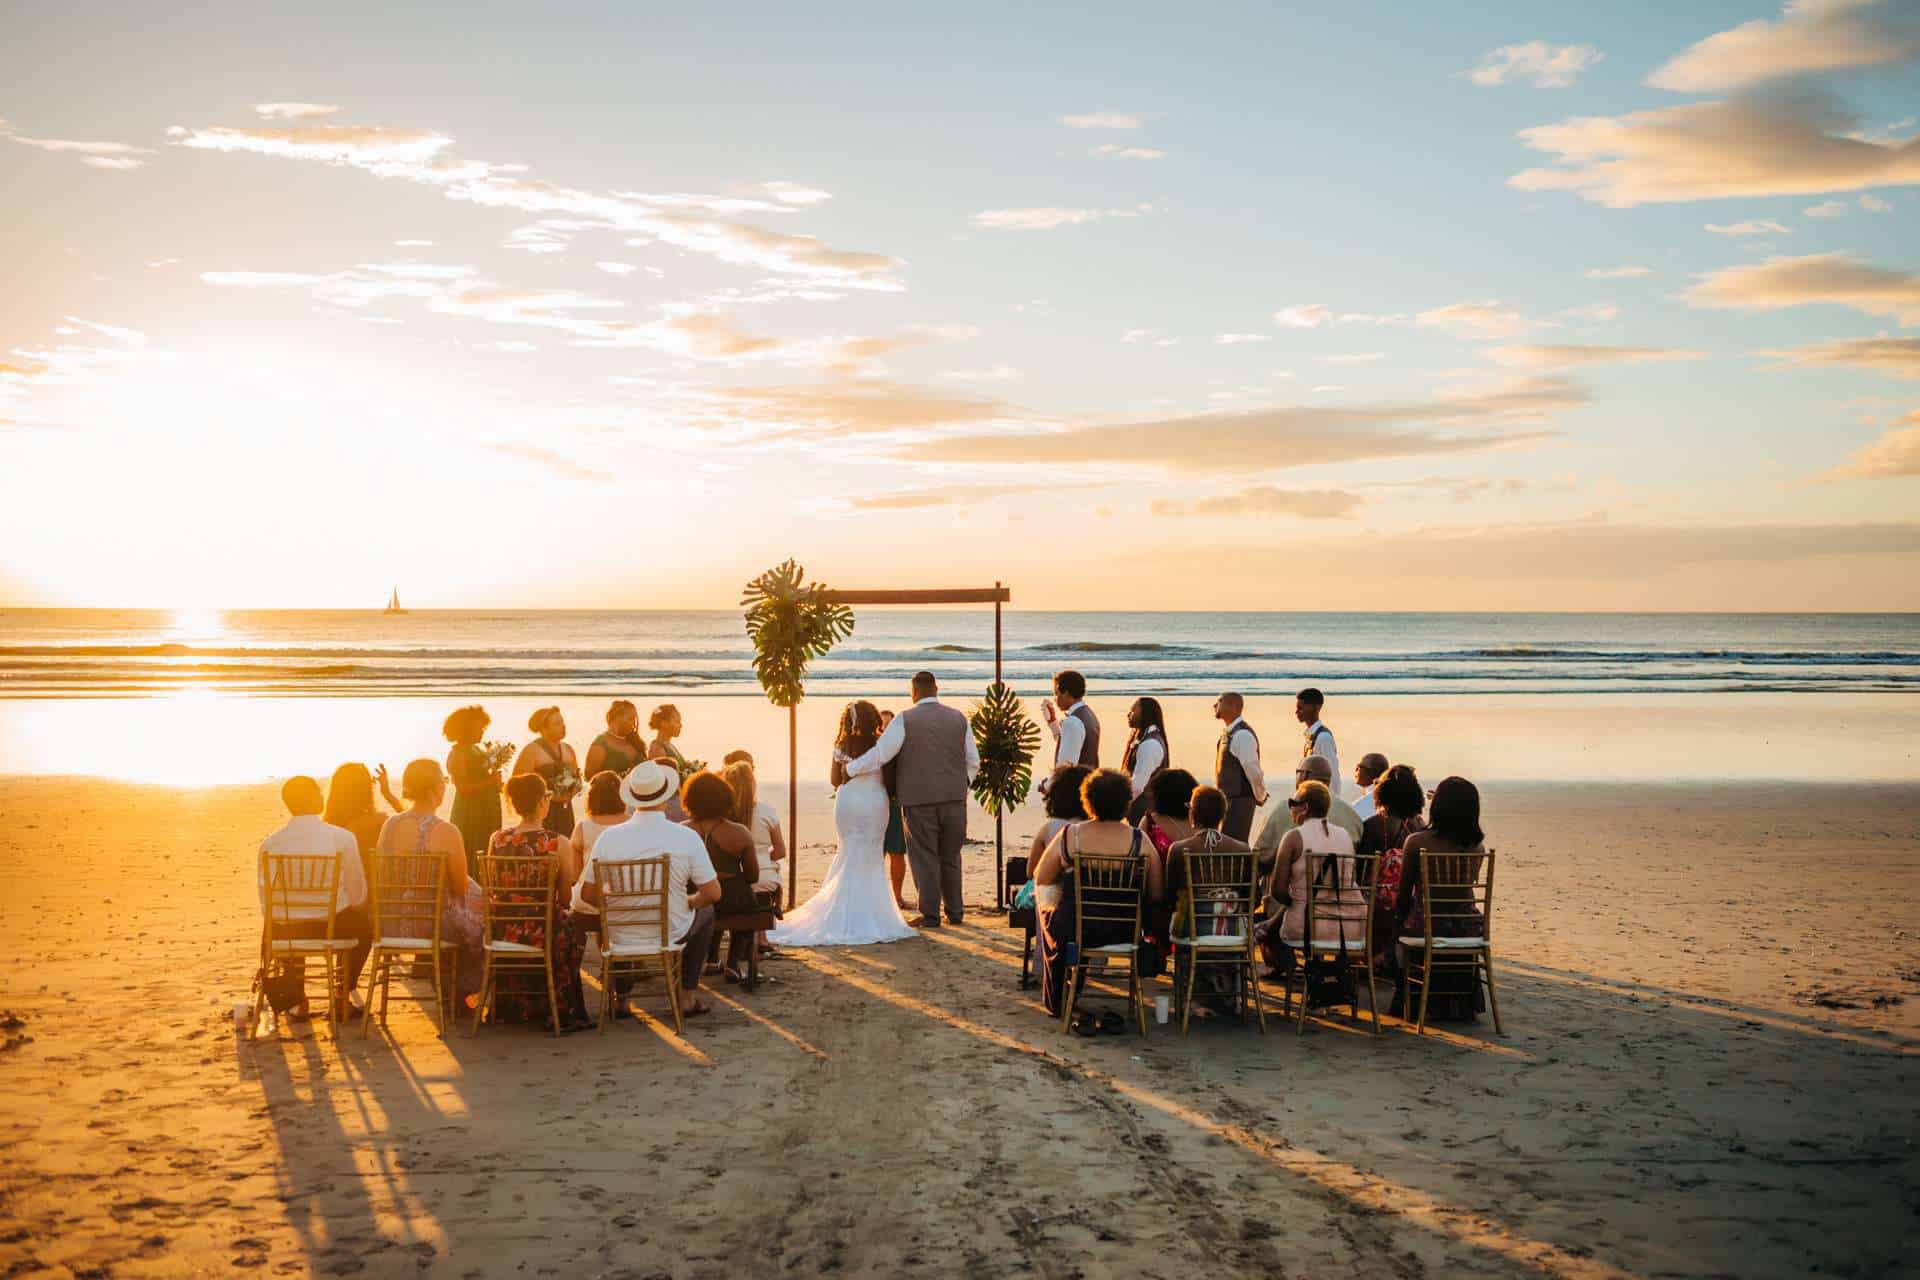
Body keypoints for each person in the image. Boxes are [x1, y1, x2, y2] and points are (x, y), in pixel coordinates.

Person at [773, 699, 923, 944]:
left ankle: (844, 909)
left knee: (848, 851)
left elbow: (835, 779)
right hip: (875, 800)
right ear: (874, 718)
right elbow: (891, 781)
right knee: (872, 854)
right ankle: (871, 912)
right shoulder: (880, 745)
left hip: (848, 801)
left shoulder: (840, 745)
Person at [581, 761, 721, 1019]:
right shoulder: (686, 837)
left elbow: (587, 894)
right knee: (708, 912)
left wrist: (619, 906)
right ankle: (686, 997)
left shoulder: (609, 838)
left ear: (633, 798)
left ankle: (622, 1000)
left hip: (621, 930)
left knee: (621, 927)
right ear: (667, 796)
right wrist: (690, 901)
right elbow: (713, 893)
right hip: (671, 930)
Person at [844, 674, 980, 928]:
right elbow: (973, 761)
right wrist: (963, 785)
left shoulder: (904, 719)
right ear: (936, 689)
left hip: (919, 801)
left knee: (925, 857)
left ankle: (931, 915)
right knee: (951, 856)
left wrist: (852, 769)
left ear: (913, 691)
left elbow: (882, 754)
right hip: (955, 800)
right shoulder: (959, 718)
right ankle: (956, 912)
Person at [1031, 769, 1162, 1022]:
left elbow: (1042, 878)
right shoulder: (1139, 840)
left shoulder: (1072, 835)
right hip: (1126, 931)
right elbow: (1156, 893)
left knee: (1050, 914)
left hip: (1076, 930)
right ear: (1126, 802)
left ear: (1087, 799)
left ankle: (1058, 997)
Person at [481, 774, 590, 1031]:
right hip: (543, 931)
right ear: (542, 802)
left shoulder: (497, 839)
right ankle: (558, 1007)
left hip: (502, 929)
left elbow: (492, 890)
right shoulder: (557, 843)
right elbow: (564, 898)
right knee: (572, 928)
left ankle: (513, 1006)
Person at [258, 776, 370, 1022]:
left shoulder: (269, 844)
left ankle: (298, 999)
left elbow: (267, 905)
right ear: (313, 798)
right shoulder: (342, 837)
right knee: (366, 924)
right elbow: (358, 895)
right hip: (332, 930)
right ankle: (341, 994)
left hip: (285, 933)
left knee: (281, 923)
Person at [376, 759, 485, 1011]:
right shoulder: (446, 831)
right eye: (443, 781)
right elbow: (458, 888)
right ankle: (464, 993)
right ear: (433, 789)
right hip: (430, 927)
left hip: (389, 922)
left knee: (468, 914)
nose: (445, 786)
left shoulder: (389, 826)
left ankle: (451, 988)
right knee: (485, 921)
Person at [1393, 776, 1488, 1021]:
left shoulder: (1416, 842)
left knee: (1394, 928)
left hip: (1427, 927)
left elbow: (1404, 896)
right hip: (1467, 928)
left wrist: (1395, 922)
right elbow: (1466, 889)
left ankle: (1406, 997)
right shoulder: (1477, 847)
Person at [1258, 780, 1362, 971]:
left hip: (1306, 930)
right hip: (1349, 926)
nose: (1290, 808)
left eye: (1292, 803)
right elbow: (1347, 882)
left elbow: (1278, 891)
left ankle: (1289, 972)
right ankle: (1323, 974)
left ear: (1305, 807)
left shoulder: (1293, 837)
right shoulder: (1345, 835)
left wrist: (1297, 902)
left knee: (1283, 921)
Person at [682, 770, 766, 983]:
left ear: (690, 799)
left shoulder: (681, 832)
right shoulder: (740, 833)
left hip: (696, 899)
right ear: (725, 799)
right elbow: (753, 876)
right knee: (747, 902)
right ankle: (733, 962)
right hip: (733, 898)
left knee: (711, 903)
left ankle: (711, 959)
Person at [1356, 764, 1425, 970]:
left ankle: (1377, 953)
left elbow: (1360, 873)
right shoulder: (1419, 827)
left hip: (1376, 909)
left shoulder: (1372, 826)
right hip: (1411, 906)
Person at [723, 757, 786, 957]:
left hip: (730, 884)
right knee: (768, 874)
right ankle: (762, 937)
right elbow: (780, 851)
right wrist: (765, 857)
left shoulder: (721, 815)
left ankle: (733, 949)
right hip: (763, 880)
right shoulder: (767, 812)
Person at [1253, 755, 1363, 869]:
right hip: (1341, 883)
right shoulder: (1352, 815)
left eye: (1298, 772)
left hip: (1296, 883)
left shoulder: (1287, 808)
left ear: (1305, 775)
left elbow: (1261, 857)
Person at [565, 770, 630, 957]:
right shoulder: (631, 824)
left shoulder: (583, 826)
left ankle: (575, 963)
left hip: (589, 904)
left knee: (578, 903)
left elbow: (575, 875)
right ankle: (616, 960)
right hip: (624, 903)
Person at [322, 761, 401, 885]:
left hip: (340, 897)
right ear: (366, 790)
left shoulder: (327, 827)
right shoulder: (379, 821)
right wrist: (387, 794)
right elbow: (412, 823)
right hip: (375, 896)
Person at [1026, 765, 1091, 912]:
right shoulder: (1097, 829)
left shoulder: (1049, 829)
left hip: (1059, 907)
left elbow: (1031, 872)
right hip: (1092, 903)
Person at [443, 704, 502, 856]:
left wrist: (495, 780)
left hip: (485, 808)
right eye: (479, 728)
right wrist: (490, 782)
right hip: (471, 812)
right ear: (466, 730)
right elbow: (463, 788)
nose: (483, 731)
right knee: (473, 847)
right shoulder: (459, 753)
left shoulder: (476, 749)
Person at [513, 707, 580, 838]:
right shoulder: (532, 750)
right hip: (540, 812)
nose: (563, 726)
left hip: (565, 809)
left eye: (563, 722)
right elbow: (517, 783)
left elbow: (577, 777)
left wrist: (573, 790)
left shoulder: (568, 749)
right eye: (557, 724)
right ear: (544, 728)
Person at [1211, 691, 1267, 842]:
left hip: (1239, 802)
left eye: (1219, 701)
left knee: (1234, 845)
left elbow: (1253, 770)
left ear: (1233, 706)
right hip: (1228, 801)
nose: (1214, 705)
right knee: (1226, 844)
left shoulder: (1242, 735)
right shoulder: (1229, 734)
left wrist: (1260, 795)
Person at [1041, 671, 1100, 789]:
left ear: (1066, 693)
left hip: (1074, 793)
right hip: (1088, 788)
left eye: (1056, 693)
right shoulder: (1089, 714)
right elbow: (1071, 745)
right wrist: (1052, 721)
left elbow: (1066, 767)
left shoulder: (1073, 721)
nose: (1055, 699)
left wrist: (1047, 785)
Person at [878, 709, 910, 910]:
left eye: (890, 726)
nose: (886, 730)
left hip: (896, 802)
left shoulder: (902, 748)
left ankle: (897, 897)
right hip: (875, 803)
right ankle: (877, 897)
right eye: (883, 726)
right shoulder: (872, 748)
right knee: (875, 853)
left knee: (897, 852)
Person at [1120, 696, 1170, 822]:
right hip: (1140, 811)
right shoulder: (1143, 738)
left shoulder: (1150, 744)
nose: (1128, 714)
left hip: (1144, 813)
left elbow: (1137, 785)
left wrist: (1117, 808)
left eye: (1132, 711)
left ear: (1144, 714)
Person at [1295, 687, 1340, 798]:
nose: (1296, 712)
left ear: (1316, 707)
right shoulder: (1311, 735)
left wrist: (1333, 803)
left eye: (1300, 708)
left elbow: (1332, 775)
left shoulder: (1323, 738)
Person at [584, 700, 646, 779]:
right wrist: (622, 776)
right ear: (617, 718)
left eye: (635, 720)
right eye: (630, 719)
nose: (634, 724)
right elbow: (589, 778)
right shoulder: (601, 744)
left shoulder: (635, 741)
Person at [647, 704, 690, 772]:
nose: (681, 725)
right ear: (664, 723)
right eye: (677, 721)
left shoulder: (671, 746)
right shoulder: (657, 748)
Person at [1350, 753, 1390, 822]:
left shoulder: (1359, 807)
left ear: (1371, 772)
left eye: (1359, 766)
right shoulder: (1390, 799)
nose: (1356, 769)